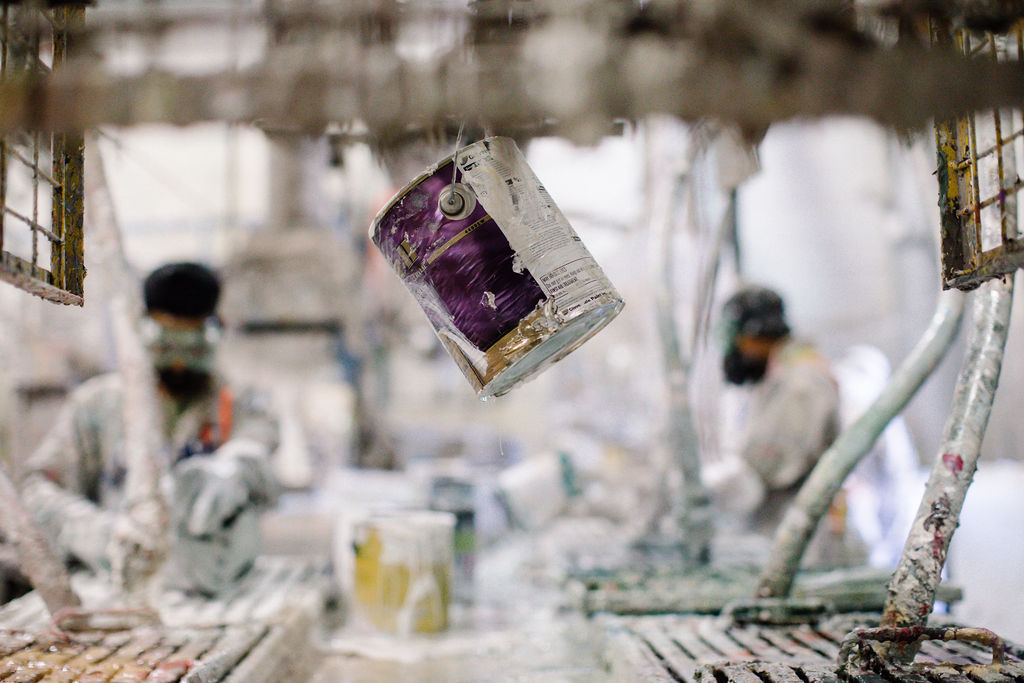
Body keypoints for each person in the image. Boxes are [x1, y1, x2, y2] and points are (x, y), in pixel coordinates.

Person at [21, 262, 280, 595]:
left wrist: (234, 468)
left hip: (213, 588)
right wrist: (97, 533)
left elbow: (259, 449)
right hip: (115, 588)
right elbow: (36, 489)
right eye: (167, 345)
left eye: (192, 347)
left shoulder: (243, 404)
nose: (177, 363)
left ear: (217, 332)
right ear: (143, 332)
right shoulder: (96, 406)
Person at [708, 285, 864, 568]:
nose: (733, 348)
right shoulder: (780, 376)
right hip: (793, 541)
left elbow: (767, 469)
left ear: (756, 334)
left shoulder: (800, 384)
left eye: (735, 336)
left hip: (810, 547)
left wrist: (703, 493)